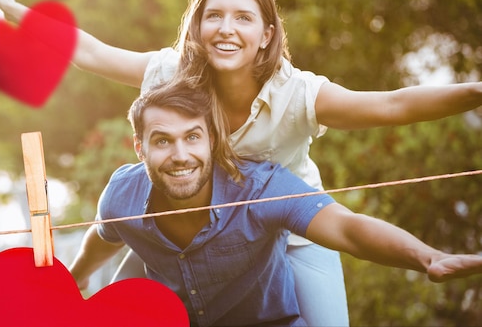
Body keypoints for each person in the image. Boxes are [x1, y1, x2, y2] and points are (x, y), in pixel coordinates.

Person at [0, 0, 482, 326]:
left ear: (267, 34)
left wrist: (475, 92)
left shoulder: (299, 94)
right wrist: (14, 11)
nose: (226, 29)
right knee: (115, 313)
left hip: (290, 228)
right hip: (185, 225)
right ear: (197, 27)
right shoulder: (170, 72)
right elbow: (89, 51)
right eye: (214, 16)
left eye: (243, 18)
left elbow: (393, 106)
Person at [68, 80, 482, 327]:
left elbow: (347, 228)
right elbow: (105, 234)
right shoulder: (122, 194)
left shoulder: (260, 188)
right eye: (162, 140)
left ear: (212, 139)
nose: (180, 154)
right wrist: (75, 278)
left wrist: (426, 257)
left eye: (192, 137)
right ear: (139, 148)